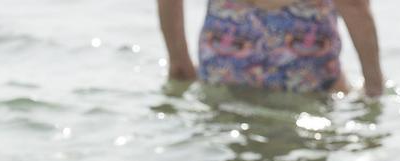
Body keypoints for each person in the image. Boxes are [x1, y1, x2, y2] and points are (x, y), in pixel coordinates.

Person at [157, 0, 384, 96]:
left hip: (230, 49)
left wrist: (179, 61)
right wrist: (373, 85)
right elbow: (354, 6)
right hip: (305, 58)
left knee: (228, 137)